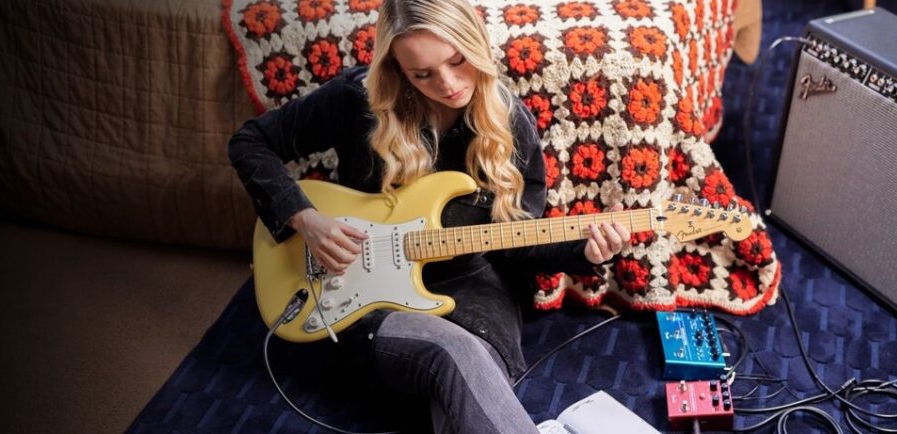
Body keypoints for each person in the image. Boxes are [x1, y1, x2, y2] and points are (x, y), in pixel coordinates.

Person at [228, 0, 631, 432]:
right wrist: (304, 219)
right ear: (398, 70)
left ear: (475, 44)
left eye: (458, 61)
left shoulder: (509, 123)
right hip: (359, 291)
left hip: (471, 288)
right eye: (422, 74)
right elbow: (251, 143)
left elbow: (518, 243)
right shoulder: (356, 101)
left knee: (468, 379)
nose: (449, 83)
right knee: (453, 354)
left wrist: (585, 252)